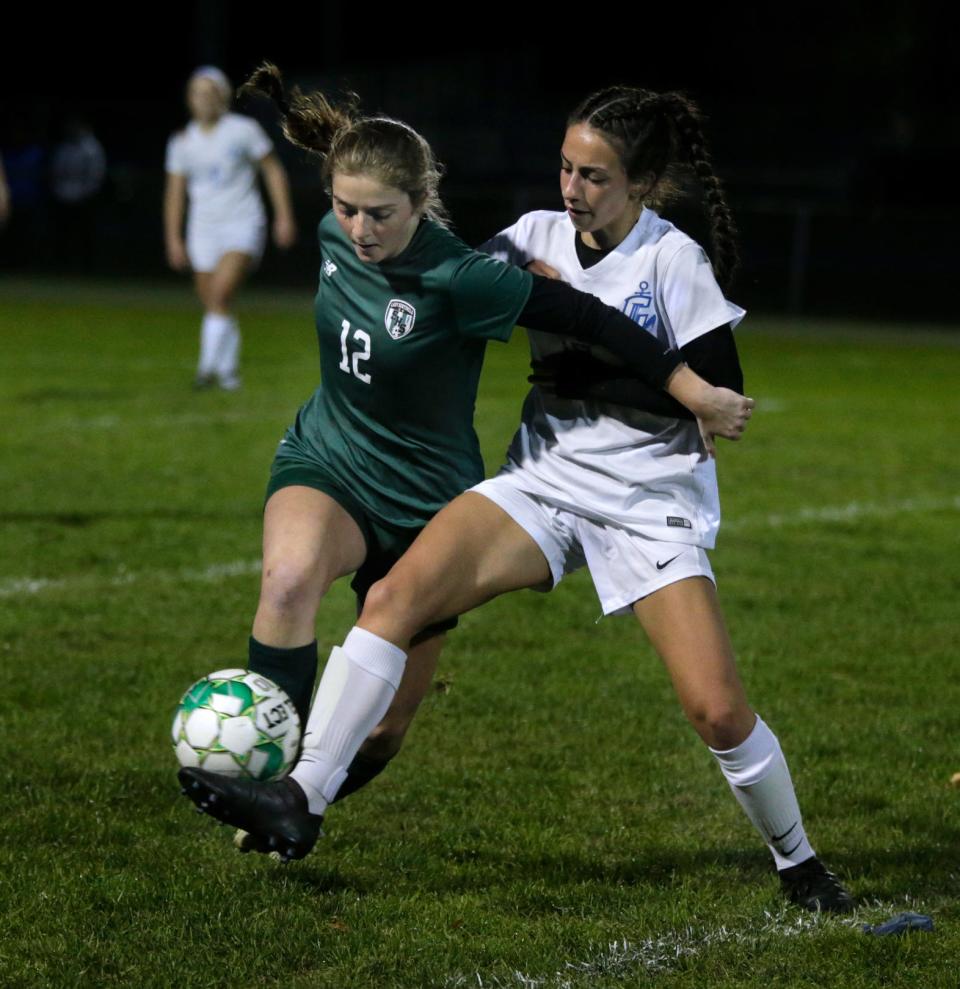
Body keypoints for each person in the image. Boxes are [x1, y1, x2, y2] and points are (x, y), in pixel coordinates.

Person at [178, 72, 762, 888]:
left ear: (420, 201)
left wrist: (692, 392)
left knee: (383, 731)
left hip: (435, 497)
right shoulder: (345, 235)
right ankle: (274, 784)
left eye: (378, 212)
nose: (357, 228)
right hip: (332, 460)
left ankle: (300, 784)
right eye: (345, 208)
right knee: (286, 580)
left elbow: (590, 320)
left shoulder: (476, 275)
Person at [164, 66, 297, 390]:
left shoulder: (243, 130)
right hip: (202, 229)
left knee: (221, 293)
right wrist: (173, 238)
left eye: (210, 93)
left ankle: (207, 369)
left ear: (222, 97)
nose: (203, 100)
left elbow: (273, 171)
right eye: (197, 93)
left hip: (242, 222)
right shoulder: (182, 141)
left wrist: (283, 216)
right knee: (215, 302)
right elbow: (175, 193)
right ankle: (228, 373)